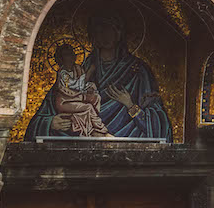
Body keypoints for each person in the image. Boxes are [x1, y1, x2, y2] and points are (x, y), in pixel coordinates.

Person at [25, 13, 172, 141]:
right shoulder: (79, 71)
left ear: (119, 33)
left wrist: (130, 106)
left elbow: (160, 124)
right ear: (92, 36)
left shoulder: (138, 71)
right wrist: (50, 122)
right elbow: (49, 108)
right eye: (99, 30)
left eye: (109, 28)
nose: (104, 34)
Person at [50, 43, 111, 137]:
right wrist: (81, 94)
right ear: (61, 58)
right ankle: (99, 129)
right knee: (88, 107)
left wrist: (90, 87)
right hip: (65, 101)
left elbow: (81, 84)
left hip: (76, 97)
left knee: (96, 97)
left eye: (71, 53)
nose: (70, 56)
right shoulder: (63, 73)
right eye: (66, 54)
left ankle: (89, 126)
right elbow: (68, 88)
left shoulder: (78, 68)